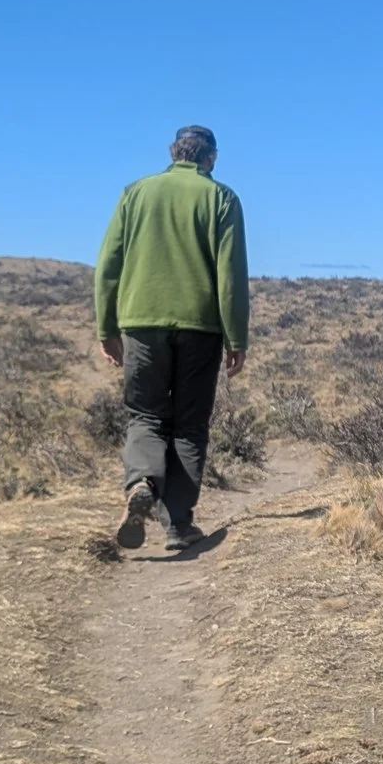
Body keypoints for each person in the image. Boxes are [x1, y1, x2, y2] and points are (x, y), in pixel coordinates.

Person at [94, 125, 249, 552]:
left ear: (172, 152)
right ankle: (178, 524)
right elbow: (230, 276)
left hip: (141, 323)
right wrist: (236, 337)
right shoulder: (221, 198)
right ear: (211, 157)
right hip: (201, 326)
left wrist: (106, 328)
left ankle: (142, 482)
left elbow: (108, 265)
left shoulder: (135, 193)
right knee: (188, 424)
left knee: (145, 416)